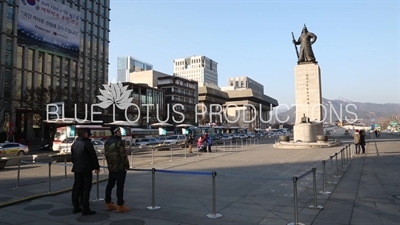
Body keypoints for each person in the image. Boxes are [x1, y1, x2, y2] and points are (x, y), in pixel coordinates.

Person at [71, 128, 100, 215]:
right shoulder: (87, 143)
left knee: (77, 187)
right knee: (86, 188)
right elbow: (93, 156)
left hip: (77, 168)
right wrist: (96, 167)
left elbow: (72, 157)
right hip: (86, 169)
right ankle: (85, 207)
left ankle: (76, 206)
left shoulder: (75, 144)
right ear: (85, 134)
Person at [104, 126, 130, 213]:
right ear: (116, 132)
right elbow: (123, 155)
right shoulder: (119, 142)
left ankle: (108, 204)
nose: (120, 133)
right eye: (119, 131)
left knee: (109, 186)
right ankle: (120, 205)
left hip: (111, 168)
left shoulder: (107, 142)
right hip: (120, 168)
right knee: (120, 187)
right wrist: (127, 166)